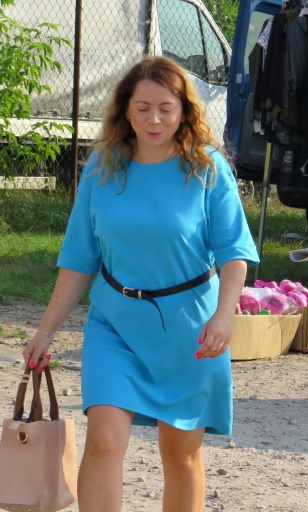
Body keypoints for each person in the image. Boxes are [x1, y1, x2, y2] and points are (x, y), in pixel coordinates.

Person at [22, 56, 259, 512]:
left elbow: (235, 254)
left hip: (191, 331)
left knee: (180, 456)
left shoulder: (208, 168)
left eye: (166, 108)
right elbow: (80, 259)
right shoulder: (102, 167)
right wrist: (46, 330)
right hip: (114, 324)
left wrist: (224, 315)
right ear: (125, 111)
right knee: (104, 441)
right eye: (143, 108)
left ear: (184, 111)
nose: (154, 119)